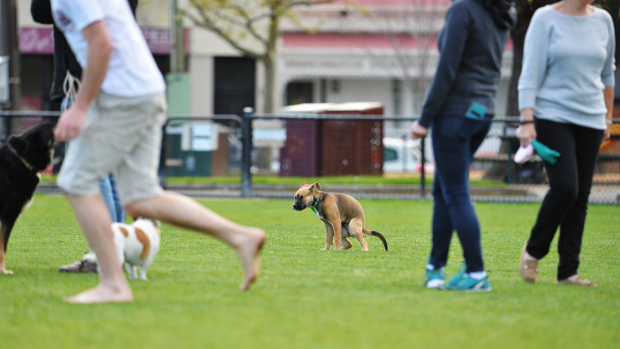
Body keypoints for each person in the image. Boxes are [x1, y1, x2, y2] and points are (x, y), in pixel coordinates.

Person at [51, 0, 265, 303]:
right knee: (141, 197)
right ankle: (241, 236)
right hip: (144, 90)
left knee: (76, 180)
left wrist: (80, 107)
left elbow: (102, 44)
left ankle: (113, 284)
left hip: (122, 95)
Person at [410, 0, 516, 291]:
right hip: (482, 112)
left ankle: (476, 273)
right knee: (444, 189)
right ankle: (435, 268)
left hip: (455, 113)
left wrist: (424, 119)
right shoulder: (503, 12)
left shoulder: (464, 10)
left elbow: (447, 68)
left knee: (455, 191)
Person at [517, 0, 614, 287]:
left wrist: (607, 119)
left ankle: (568, 272)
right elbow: (529, 73)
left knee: (580, 196)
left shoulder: (604, 19)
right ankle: (534, 249)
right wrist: (526, 120)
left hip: (592, 120)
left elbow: (608, 73)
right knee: (565, 188)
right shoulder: (544, 18)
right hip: (552, 117)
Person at [31, 0, 130, 273]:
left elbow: (39, 11)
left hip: (83, 81)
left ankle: (106, 254)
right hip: (119, 81)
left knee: (90, 173)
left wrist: (80, 102)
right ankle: (115, 251)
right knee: (110, 171)